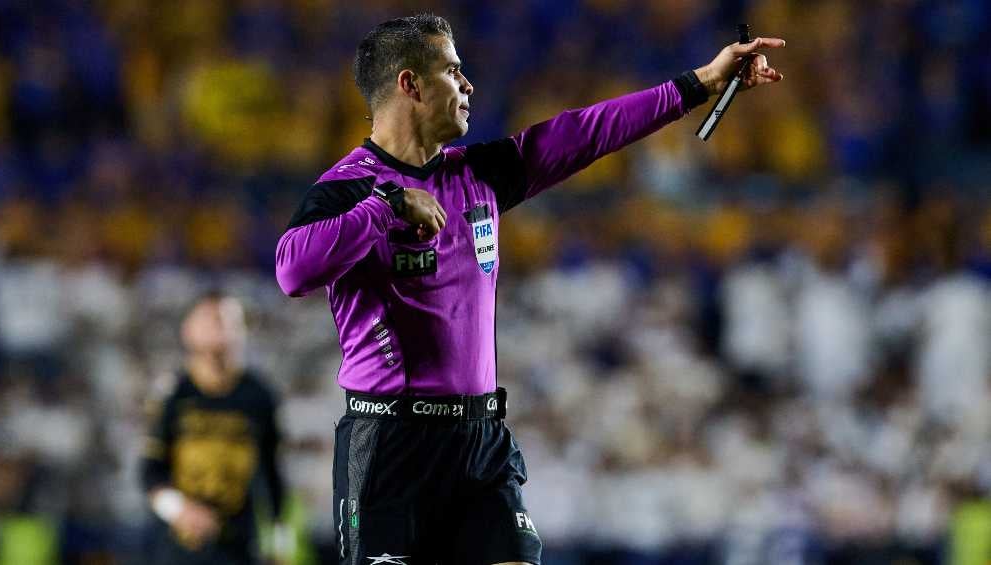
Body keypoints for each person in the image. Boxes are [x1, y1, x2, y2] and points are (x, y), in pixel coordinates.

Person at [275, 13, 784, 565]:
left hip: (479, 440)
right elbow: (291, 271)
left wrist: (701, 83)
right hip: (390, 445)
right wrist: (388, 206)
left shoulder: (481, 173)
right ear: (409, 84)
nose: (468, 85)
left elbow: (588, 131)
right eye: (453, 70)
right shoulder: (348, 188)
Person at [140, 292, 290, 565]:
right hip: (178, 544)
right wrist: (179, 509)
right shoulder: (172, 393)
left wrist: (279, 539)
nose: (220, 326)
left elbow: (272, 472)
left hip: (239, 543)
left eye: (228, 319)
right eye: (210, 319)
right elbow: (150, 470)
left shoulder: (259, 395)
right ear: (188, 330)